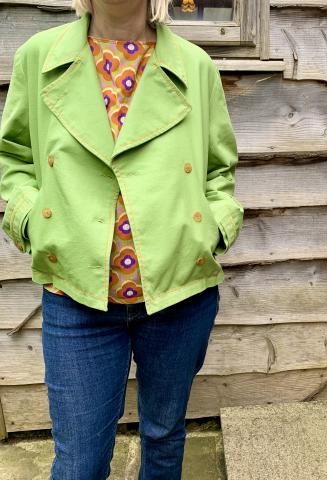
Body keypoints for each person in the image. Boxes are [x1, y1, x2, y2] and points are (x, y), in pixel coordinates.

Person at [0, 0, 244, 478]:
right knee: (80, 462)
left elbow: (219, 170)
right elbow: (14, 158)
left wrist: (212, 229)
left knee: (164, 435)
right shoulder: (40, 57)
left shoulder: (196, 67)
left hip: (179, 294)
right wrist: (32, 221)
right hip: (74, 298)